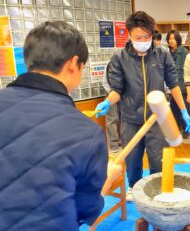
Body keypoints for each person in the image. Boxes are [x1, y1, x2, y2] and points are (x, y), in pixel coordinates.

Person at [0, 21, 110, 230]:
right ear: (73, 63)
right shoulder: (86, 132)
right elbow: (87, 210)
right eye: (82, 68)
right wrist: (108, 181)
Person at [95, 11, 190, 201]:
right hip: (131, 118)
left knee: (158, 159)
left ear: (152, 34)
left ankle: (156, 188)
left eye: (147, 37)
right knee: (132, 159)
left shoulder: (162, 54)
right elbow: (117, 89)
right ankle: (133, 185)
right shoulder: (119, 58)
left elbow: (173, 84)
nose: (143, 41)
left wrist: (183, 111)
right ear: (129, 35)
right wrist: (107, 101)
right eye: (138, 37)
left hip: (157, 118)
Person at [166, 29, 190, 138]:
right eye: (169, 39)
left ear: (178, 40)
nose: (171, 41)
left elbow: (188, 70)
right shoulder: (166, 52)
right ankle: (176, 129)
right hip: (171, 87)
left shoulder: (184, 52)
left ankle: (186, 130)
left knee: (184, 109)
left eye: (173, 39)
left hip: (182, 86)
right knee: (174, 109)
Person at [102, 62, 121, 153]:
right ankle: (114, 144)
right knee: (112, 119)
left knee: (125, 118)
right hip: (110, 92)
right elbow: (105, 82)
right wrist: (111, 94)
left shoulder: (129, 64)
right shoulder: (110, 64)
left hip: (124, 95)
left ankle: (126, 141)